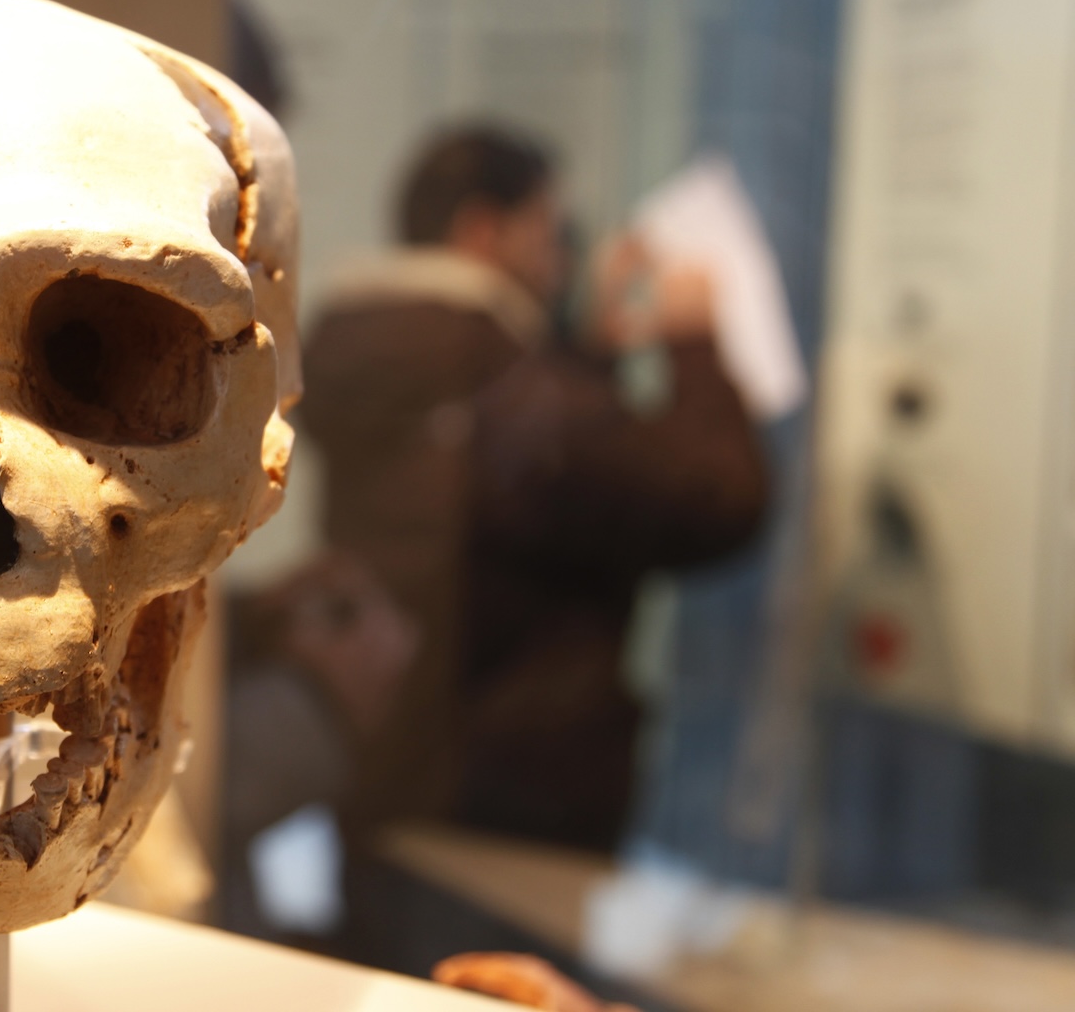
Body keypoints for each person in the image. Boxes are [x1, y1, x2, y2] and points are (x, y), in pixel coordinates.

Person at [298, 124, 769, 853]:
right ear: (484, 231)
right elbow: (717, 503)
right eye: (549, 231)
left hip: (383, 763)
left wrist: (585, 358)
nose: (561, 261)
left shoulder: (379, 350)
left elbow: (532, 495)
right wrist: (694, 341)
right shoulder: (501, 380)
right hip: (515, 796)